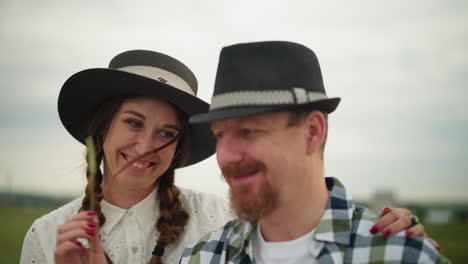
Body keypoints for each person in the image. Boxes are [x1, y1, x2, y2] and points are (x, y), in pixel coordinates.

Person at [20, 49, 431, 264]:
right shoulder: (46, 234)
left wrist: (393, 238)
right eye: (132, 123)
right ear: (101, 128)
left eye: (167, 133)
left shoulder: (224, 222)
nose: (145, 147)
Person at [181, 41, 450, 263]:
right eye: (219, 135)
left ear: (312, 132)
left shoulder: (400, 256)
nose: (225, 156)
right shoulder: (203, 257)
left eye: (248, 131)